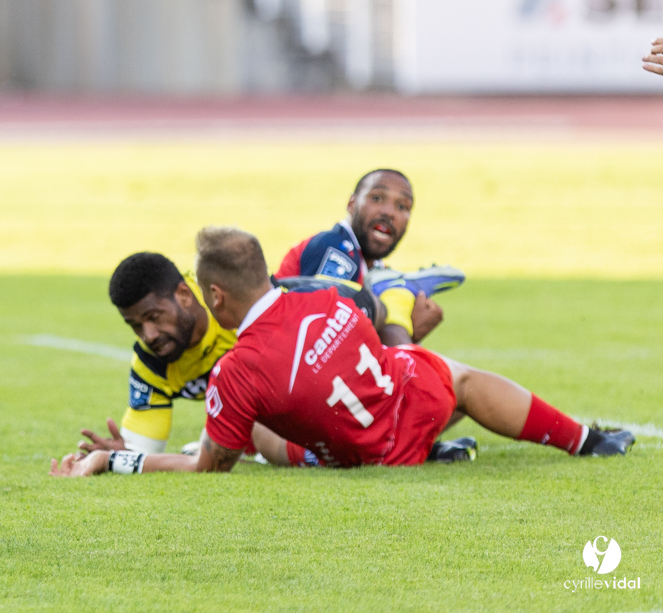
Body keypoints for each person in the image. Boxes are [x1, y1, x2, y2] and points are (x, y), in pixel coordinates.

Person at [50, 227, 633, 477]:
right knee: (455, 376)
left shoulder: (234, 370)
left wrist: (115, 462)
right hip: (405, 401)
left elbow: (209, 467)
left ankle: (426, 443)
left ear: (208, 295)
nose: (148, 334)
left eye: (152, 317)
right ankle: (586, 441)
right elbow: (369, 317)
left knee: (256, 430)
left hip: (359, 453)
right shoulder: (326, 294)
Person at [276, 168, 463, 346]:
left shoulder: (376, 269)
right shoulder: (336, 248)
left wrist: (408, 331)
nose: (389, 212)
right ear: (351, 204)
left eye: (402, 206)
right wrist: (401, 327)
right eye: (376, 198)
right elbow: (318, 336)